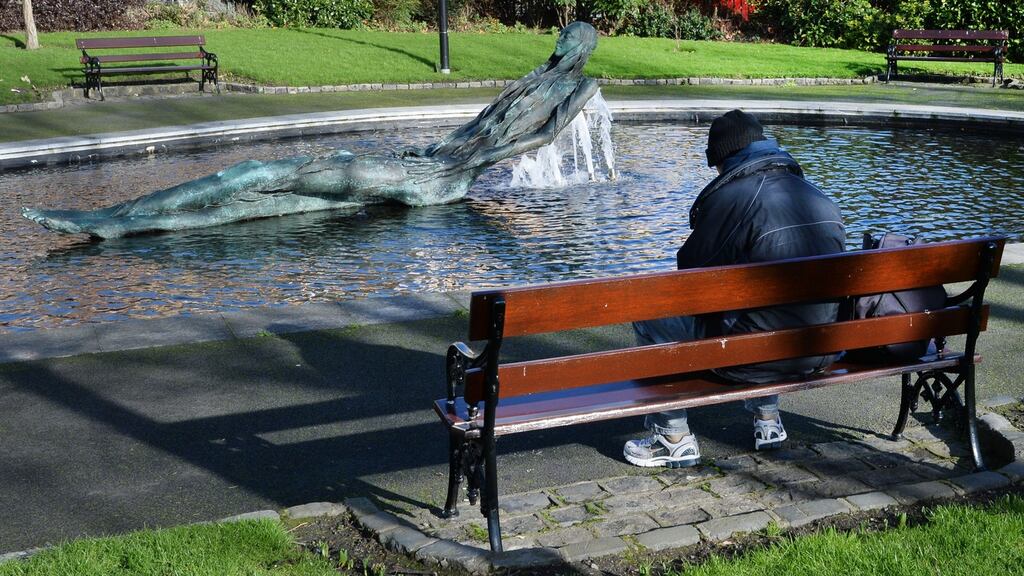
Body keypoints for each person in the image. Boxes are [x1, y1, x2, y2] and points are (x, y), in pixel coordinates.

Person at [23, 22, 600, 239]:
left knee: (260, 174)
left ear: (584, 49)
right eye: (561, 35)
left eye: (570, 40)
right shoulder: (538, 75)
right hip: (424, 160)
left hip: (436, 177)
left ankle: (118, 220)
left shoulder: (575, 88)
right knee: (258, 204)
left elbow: (546, 137)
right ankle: (121, 223)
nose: (559, 43)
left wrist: (483, 156)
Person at [623, 109, 846, 468]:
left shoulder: (734, 197)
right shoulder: (815, 194)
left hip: (757, 361)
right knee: (770, 309)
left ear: (723, 157)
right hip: (819, 351)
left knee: (654, 315)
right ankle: (768, 422)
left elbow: (689, 278)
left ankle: (673, 437)